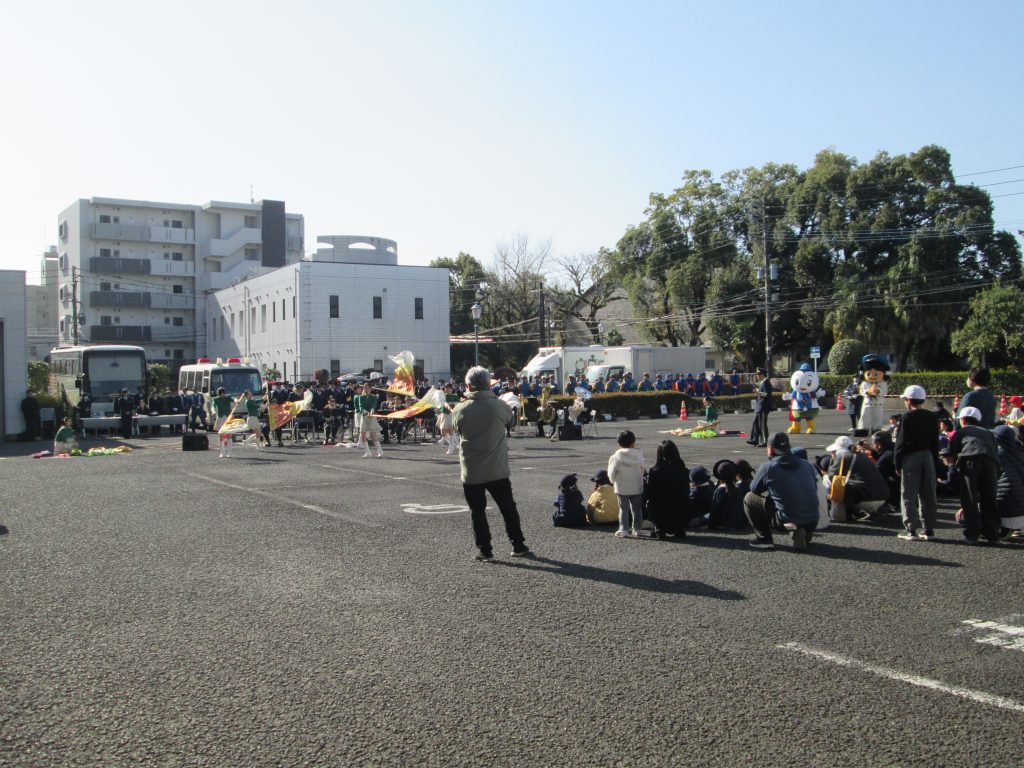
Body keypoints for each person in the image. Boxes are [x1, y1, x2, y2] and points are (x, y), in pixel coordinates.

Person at [454, 366, 529, 561]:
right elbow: (509, 422)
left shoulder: (461, 408)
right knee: (508, 507)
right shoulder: (499, 405)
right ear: (489, 384)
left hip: (472, 468)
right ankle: (518, 544)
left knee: (477, 512)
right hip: (497, 466)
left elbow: (458, 428)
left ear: (469, 386)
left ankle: (485, 549)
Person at [744, 432, 819, 551]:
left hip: (785, 522)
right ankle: (804, 531)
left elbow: (754, 489)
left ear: (770, 449)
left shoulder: (769, 467)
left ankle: (764, 539)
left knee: (749, 498)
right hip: (813, 520)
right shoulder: (806, 465)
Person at [893, 385, 940, 541]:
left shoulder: (907, 417)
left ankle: (911, 529)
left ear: (909, 400)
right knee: (928, 492)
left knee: (909, 493)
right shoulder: (932, 416)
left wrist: (897, 463)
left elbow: (900, 443)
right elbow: (935, 441)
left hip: (910, 457)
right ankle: (929, 529)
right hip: (928, 456)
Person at [948, 405, 1000, 544]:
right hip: (990, 463)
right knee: (989, 497)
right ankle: (992, 534)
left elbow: (952, 452)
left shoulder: (960, 432)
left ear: (963, 420)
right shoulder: (988, 432)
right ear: (978, 420)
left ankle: (972, 533)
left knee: (970, 498)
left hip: (970, 462)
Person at [824, 436, 890, 523]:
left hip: (866, 498)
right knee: (856, 482)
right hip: (882, 496)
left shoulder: (844, 457)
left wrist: (833, 460)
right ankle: (869, 511)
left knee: (833, 484)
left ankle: (842, 515)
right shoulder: (862, 455)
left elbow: (831, 476)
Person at [644, 440, 689, 539]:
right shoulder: (683, 470)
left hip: (661, 510)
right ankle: (679, 529)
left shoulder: (655, 471)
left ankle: (659, 528)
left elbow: (650, 493)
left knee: (651, 503)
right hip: (679, 509)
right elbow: (686, 491)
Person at [607, 429, 645, 538]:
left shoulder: (616, 457)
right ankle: (637, 529)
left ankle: (623, 529)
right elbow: (642, 470)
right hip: (637, 486)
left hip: (622, 487)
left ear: (619, 444)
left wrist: (612, 481)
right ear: (633, 442)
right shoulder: (639, 455)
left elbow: (611, 473)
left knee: (623, 509)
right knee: (637, 509)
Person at [993, 425, 1024, 538]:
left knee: (967, 515)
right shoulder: (1018, 451)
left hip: (1007, 505)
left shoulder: (998, 453)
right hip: (1020, 504)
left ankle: (999, 529)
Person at [707, 460, 745, 530]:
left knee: (703, 517)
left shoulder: (721, 490)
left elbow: (715, 510)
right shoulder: (739, 487)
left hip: (725, 524)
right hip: (738, 523)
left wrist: (710, 525)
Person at [355, 383, 383, 458]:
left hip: (372, 417)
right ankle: (368, 453)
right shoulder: (361, 397)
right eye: (364, 388)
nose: (366, 389)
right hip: (364, 417)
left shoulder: (374, 397)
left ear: (370, 389)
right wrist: (365, 412)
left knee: (373, 436)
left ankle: (380, 451)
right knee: (363, 436)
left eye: (367, 388)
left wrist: (371, 411)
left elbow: (373, 405)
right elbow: (360, 407)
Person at [746, 367, 773, 447]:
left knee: (762, 425)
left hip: (763, 406)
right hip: (760, 406)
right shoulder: (763, 382)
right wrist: (759, 391)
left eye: (758, 374)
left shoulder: (766, 382)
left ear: (762, 374)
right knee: (755, 423)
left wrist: (758, 392)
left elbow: (766, 394)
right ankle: (754, 439)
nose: (757, 376)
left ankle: (765, 441)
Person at [211, 387, 235, 458]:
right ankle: (222, 452)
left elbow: (234, 399)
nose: (222, 395)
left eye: (222, 394)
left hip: (228, 418)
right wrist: (213, 411)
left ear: (224, 393)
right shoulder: (216, 399)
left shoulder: (228, 397)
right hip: (220, 418)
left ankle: (229, 453)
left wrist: (236, 401)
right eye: (220, 394)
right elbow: (213, 406)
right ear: (218, 394)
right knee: (221, 435)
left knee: (229, 434)